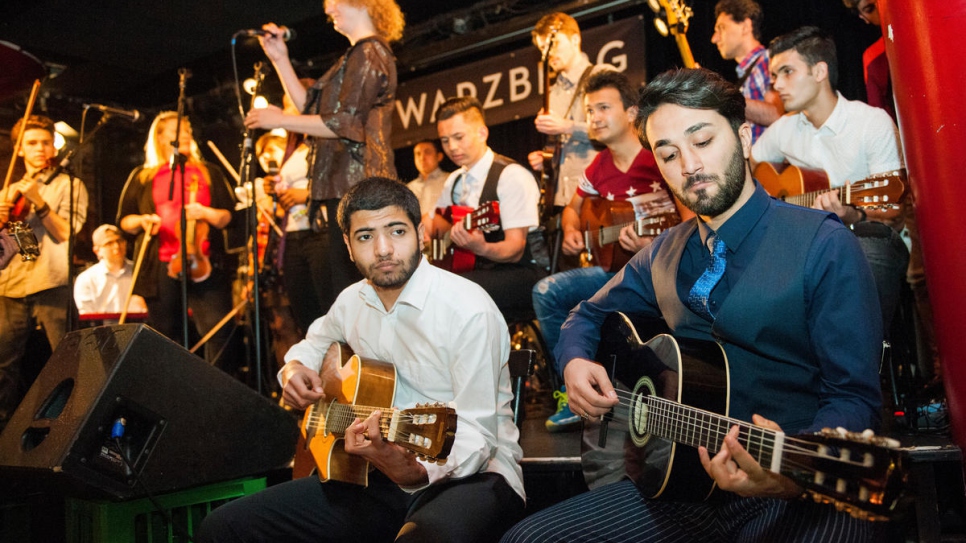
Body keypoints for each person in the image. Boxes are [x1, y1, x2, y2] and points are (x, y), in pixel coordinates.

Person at [501, 67, 884, 543]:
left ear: (744, 138)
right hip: (678, 487)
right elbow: (588, 314)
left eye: (702, 140)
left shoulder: (822, 245)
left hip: (793, 487)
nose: (689, 165)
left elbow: (854, 397)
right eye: (667, 153)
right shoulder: (661, 253)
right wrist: (575, 361)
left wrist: (792, 471)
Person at [197, 176, 525, 543]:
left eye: (396, 231)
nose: (383, 249)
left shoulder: (467, 308)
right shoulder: (351, 301)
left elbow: (477, 435)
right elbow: (313, 343)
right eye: (365, 236)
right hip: (371, 474)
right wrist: (295, 368)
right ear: (348, 247)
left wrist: (414, 472)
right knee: (222, 528)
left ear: (420, 232)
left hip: (473, 475)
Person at [531, 70, 688, 436]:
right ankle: (574, 392)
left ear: (632, 113)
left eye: (603, 107)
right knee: (546, 292)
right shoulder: (598, 166)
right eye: (589, 110)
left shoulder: (659, 156)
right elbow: (572, 209)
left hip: (661, 271)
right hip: (612, 270)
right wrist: (572, 231)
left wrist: (656, 249)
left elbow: (690, 222)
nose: (594, 118)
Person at [244, 0, 404, 315]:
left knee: (357, 293)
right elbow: (313, 110)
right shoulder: (354, 56)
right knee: (344, 295)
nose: (328, 10)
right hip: (343, 185)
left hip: (360, 185)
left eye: (334, 3)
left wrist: (278, 120)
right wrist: (280, 60)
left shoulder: (370, 52)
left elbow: (343, 123)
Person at [751, 26, 908, 332]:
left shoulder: (870, 124)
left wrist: (854, 214)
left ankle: (855, 367)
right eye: (773, 76)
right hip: (802, 245)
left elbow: (895, 211)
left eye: (786, 72)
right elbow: (752, 165)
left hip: (866, 237)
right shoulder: (786, 127)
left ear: (819, 71)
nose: (777, 85)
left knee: (861, 262)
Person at [117, 112, 239, 367]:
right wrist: (141, 221)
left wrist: (208, 213)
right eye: (176, 130)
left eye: (187, 129)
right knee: (165, 333)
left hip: (205, 262)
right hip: (161, 263)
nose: (185, 135)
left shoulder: (209, 172)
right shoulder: (143, 175)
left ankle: (214, 392)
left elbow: (230, 215)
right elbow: (124, 221)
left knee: (218, 330)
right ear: (160, 139)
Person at [0, 115, 89, 432]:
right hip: (10, 286)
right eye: (32, 143)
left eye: (46, 142)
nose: (40, 148)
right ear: (20, 150)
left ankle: (69, 428)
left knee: (67, 360)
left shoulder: (70, 185)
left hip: (52, 282)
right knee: (3, 367)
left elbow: (67, 234)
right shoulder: (9, 191)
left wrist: (40, 204)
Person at [429, 96, 544, 324]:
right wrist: (432, 232)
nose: (452, 147)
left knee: (451, 292)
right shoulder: (454, 180)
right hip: (476, 271)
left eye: (458, 137)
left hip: (521, 272)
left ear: (482, 133)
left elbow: (515, 249)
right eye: (444, 140)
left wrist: (480, 247)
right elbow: (435, 223)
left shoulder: (511, 176)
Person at [527, 12, 608, 211]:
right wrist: (546, 158)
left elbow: (619, 131)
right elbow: (560, 145)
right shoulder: (552, 93)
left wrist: (567, 127)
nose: (547, 55)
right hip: (562, 199)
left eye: (552, 45)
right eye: (542, 49)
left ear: (575, 39)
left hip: (600, 191)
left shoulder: (602, 74)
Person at [711, 0, 783, 143]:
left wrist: (721, 93)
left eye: (721, 28)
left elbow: (776, 115)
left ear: (745, 26)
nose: (714, 38)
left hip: (768, 164)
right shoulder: (746, 74)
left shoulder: (767, 61)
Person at [73, 224, 147, 317]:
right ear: (97, 250)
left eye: (119, 241)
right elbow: (87, 315)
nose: (116, 246)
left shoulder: (139, 272)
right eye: (109, 243)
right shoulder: (86, 279)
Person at [842, 0, 894, 121]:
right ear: (863, 17)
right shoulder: (873, 57)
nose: (880, 8)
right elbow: (881, 116)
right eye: (870, 8)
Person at [407, 139, 450, 217]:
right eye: (418, 154)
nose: (422, 158)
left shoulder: (450, 180)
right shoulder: (409, 188)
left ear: (439, 156)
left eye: (427, 152)